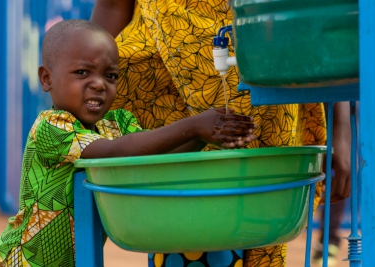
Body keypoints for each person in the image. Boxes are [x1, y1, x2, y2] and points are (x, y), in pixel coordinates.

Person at [91, 1, 352, 267]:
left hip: (268, 72)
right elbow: (112, 6)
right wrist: (74, 112)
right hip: (169, 90)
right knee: (185, 223)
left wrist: (341, 124)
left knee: (262, 228)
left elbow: (322, 13)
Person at [0, 19, 257, 267]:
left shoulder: (118, 123)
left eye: (110, 76)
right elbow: (109, 152)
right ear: (47, 79)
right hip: (22, 261)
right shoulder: (51, 126)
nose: (99, 85)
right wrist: (193, 125)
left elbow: (155, 159)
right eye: (82, 72)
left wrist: (203, 137)